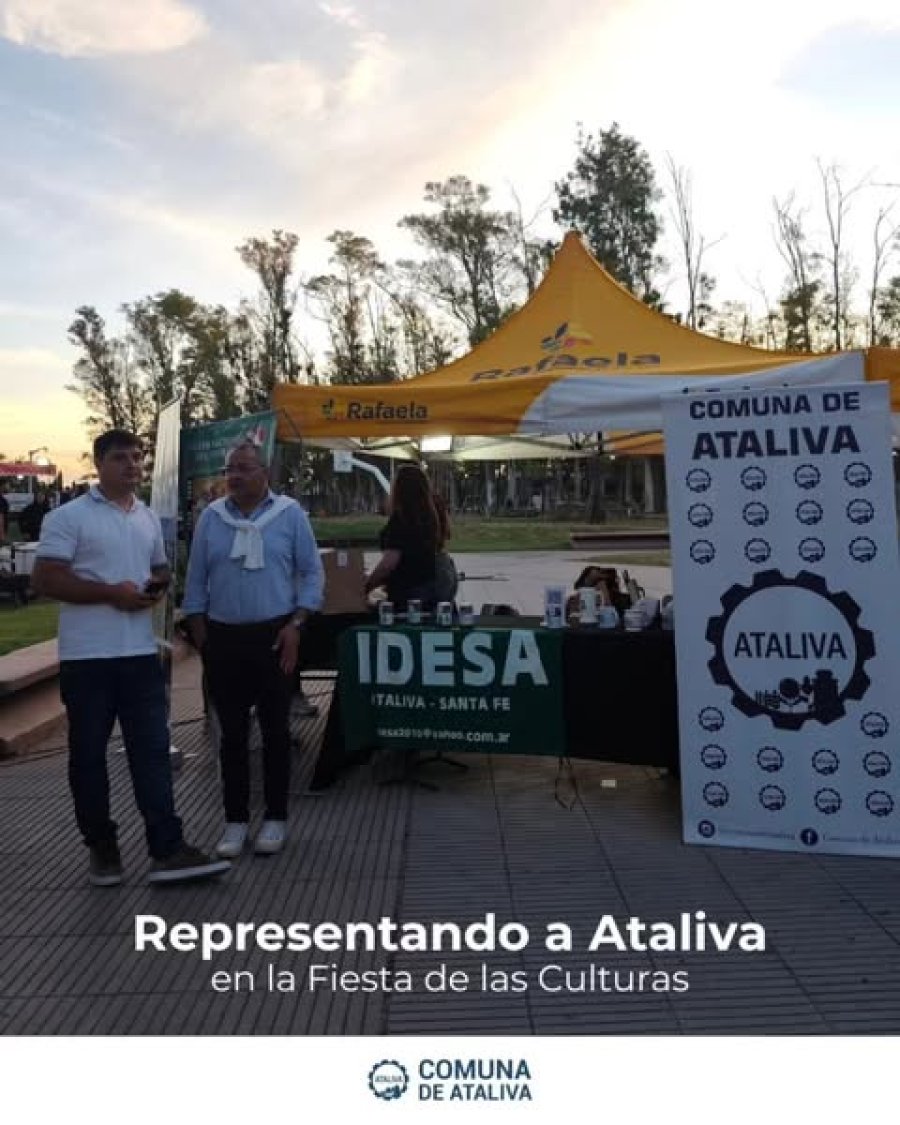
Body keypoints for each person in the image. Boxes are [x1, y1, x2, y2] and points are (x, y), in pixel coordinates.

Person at [32, 429, 231, 888]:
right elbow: (46, 579)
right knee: (88, 757)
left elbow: (158, 568)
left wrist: (156, 586)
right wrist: (109, 594)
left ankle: (167, 848)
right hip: (88, 659)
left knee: (153, 755)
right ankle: (102, 846)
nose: (133, 465)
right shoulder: (69, 517)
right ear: (99, 464)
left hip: (141, 654)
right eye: (121, 458)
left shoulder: (145, 518)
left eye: (138, 457)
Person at [182, 440, 324, 860]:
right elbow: (195, 579)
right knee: (231, 736)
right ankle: (235, 820)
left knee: (277, 730)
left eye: (243, 468)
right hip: (223, 637)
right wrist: (202, 635)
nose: (234, 476)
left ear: (264, 473)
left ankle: (276, 817)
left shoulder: (289, 515)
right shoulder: (212, 518)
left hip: (274, 635)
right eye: (230, 469)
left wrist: (297, 623)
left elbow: (312, 573)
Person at [364, 464, 454, 610]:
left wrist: (367, 584)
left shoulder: (401, 520)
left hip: (413, 592)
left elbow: (389, 563)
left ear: (399, 489)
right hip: (438, 585)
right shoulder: (432, 515)